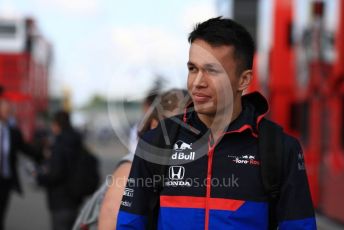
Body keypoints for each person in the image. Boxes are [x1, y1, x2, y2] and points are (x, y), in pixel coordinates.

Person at [116, 17, 317, 229]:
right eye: (193, 69)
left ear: (244, 80)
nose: (198, 83)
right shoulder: (157, 141)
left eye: (212, 71)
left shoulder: (280, 149)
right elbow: (129, 225)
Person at [36, 110, 83, 230]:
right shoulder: (77, 141)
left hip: (60, 200)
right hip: (76, 198)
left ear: (56, 124)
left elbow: (56, 173)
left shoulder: (59, 144)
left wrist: (39, 177)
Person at [0, 99, 41, 230]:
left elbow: (26, 149)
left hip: (5, 180)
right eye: (6, 110)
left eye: (9, 110)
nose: (9, 113)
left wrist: (44, 155)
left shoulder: (13, 132)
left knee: (1, 212)